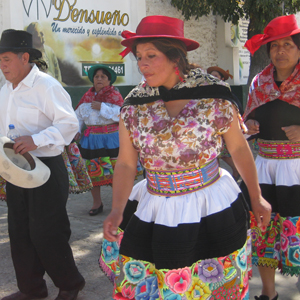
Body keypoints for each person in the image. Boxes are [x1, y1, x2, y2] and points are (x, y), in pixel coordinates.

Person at [100, 15, 271, 300]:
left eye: (151, 56)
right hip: (156, 207)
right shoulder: (134, 104)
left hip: (209, 204)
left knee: (213, 283)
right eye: (139, 56)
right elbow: (127, 163)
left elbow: (239, 149)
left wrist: (256, 195)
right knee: (159, 284)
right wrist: (117, 209)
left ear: (176, 57)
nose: (142, 64)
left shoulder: (214, 95)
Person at [0, 29, 85, 300]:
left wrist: (36, 140)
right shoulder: (5, 90)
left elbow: (70, 124)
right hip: (16, 171)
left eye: (6, 58)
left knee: (47, 232)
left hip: (46, 168)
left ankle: (71, 284)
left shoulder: (46, 86)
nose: (2, 65)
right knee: (20, 232)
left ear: (25, 57)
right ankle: (32, 289)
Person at [241, 14, 300, 300]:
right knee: (264, 231)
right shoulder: (259, 83)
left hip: (298, 169)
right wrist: (249, 127)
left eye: (288, 44)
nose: (280, 51)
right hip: (264, 170)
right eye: (275, 46)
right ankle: (268, 293)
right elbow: (246, 123)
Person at [74, 65, 124, 215]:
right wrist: (76, 130)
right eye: (97, 77)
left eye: (103, 77)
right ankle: (97, 203)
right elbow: (78, 116)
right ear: (93, 80)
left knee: (116, 173)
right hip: (91, 140)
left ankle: (119, 205)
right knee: (93, 173)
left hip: (112, 139)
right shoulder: (86, 97)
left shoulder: (115, 96)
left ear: (109, 80)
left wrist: (102, 107)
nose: (99, 79)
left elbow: (121, 115)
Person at [207, 66, 243, 181]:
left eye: (216, 76)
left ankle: (238, 171)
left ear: (222, 78)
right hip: (212, 130)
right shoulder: (205, 92)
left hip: (225, 129)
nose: (213, 78)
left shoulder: (226, 92)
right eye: (211, 75)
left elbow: (236, 108)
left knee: (225, 153)